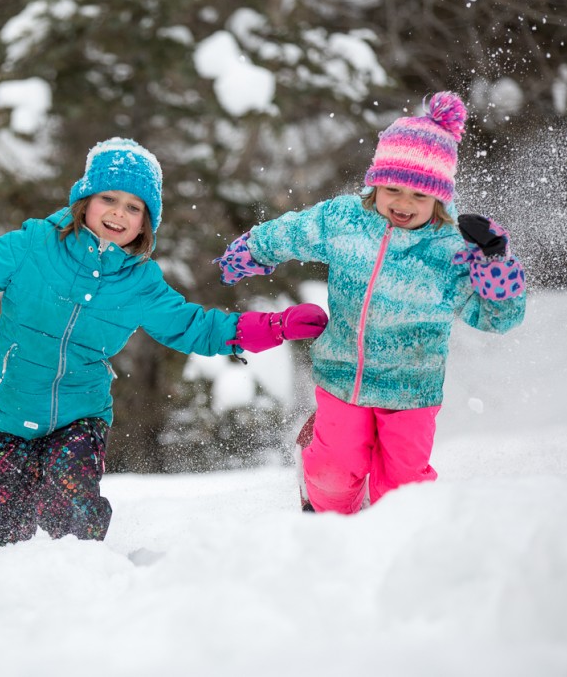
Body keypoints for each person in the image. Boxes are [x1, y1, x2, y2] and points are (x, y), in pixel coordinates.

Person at [0, 137, 328, 550]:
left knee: (72, 522)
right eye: (109, 200)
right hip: (3, 416)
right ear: (85, 200)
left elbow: (196, 327)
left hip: (79, 418)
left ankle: (86, 596)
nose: (118, 213)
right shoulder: (33, 244)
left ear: (146, 223)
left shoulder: (140, 282)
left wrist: (275, 327)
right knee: (2, 539)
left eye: (134, 207)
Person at [214, 92, 527, 514]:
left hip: (412, 390)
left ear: (440, 199)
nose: (403, 204)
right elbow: (296, 229)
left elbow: (497, 319)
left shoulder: (450, 251)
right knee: (332, 474)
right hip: (344, 376)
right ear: (375, 183)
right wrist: (255, 249)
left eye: (419, 196)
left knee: (402, 491)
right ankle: (324, 514)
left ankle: (395, 543)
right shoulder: (345, 220)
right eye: (392, 189)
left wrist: (495, 273)